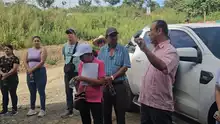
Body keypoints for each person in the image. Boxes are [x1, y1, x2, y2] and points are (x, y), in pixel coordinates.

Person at [134, 20, 179, 124]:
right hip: (146, 102)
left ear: (159, 31)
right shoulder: (156, 50)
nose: (149, 34)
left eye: (151, 31)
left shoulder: (171, 51)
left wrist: (145, 49)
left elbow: (162, 66)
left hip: (159, 105)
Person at [98, 27, 131, 124]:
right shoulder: (102, 50)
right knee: (106, 113)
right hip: (105, 85)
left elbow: (125, 66)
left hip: (119, 85)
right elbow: (99, 66)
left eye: (115, 35)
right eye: (111, 36)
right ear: (106, 37)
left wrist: (112, 77)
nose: (113, 38)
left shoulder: (123, 49)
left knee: (120, 113)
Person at [72, 43, 105, 124]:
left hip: (96, 98)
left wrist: (84, 79)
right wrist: (76, 82)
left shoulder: (99, 63)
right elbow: (81, 81)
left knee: (98, 120)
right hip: (83, 97)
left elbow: (101, 82)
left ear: (89, 54)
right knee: (85, 120)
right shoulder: (81, 64)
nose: (80, 59)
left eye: (81, 56)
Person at [24, 36, 48, 117]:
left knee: (41, 91)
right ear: (32, 42)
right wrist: (28, 69)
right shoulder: (29, 50)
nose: (36, 42)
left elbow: (42, 62)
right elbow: (24, 61)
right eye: (35, 41)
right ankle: (32, 109)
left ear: (40, 41)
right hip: (30, 73)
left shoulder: (43, 49)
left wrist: (32, 69)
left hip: (40, 72)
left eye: (38, 40)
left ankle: (43, 109)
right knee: (32, 90)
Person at [61, 28, 80, 118]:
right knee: (68, 91)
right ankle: (69, 109)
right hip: (68, 72)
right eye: (68, 34)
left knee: (80, 90)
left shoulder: (80, 46)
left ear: (75, 35)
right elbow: (65, 58)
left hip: (78, 72)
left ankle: (82, 107)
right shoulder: (64, 46)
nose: (69, 35)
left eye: (71, 33)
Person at [0, 44, 19, 116]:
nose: (6, 50)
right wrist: (2, 74)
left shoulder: (15, 58)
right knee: (4, 94)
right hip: (2, 79)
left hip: (12, 79)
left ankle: (14, 109)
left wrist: (6, 75)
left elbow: (14, 69)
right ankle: (4, 110)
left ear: (11, 50)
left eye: (8, 49)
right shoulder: (1, 58)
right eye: (5, 49)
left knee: (13, 94)